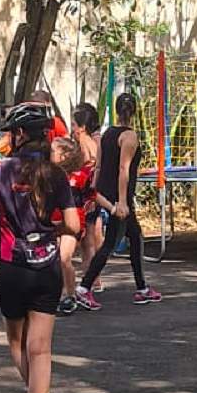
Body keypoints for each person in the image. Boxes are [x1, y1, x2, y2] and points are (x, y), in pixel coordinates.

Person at [0, 101, 83, 393]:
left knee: (17, 344)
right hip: (48, 266)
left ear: (19, 135)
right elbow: (73, 225)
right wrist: (49, 227)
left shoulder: (1, 170)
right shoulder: (56, 174)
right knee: (42, 350)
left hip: (13, 266)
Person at [74, 92, 162, 308]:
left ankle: (142, 288)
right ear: (135, 112)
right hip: (118, 195)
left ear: (116, 110)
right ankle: (83, 288)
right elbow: (123, 169)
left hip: (107, 191)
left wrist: (94, 188)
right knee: (111, 242)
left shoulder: (107, 134)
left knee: (135, 236)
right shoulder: (130, 137)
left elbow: (101, 165)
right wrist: (121, 202)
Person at [51, 134, 93, 313]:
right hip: (54, 222)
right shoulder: (49, 174)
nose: (49, 153)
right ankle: (59, 293)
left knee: (64, 257)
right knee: (53, 259)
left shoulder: (79, 176)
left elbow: (92, 194)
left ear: (65, 155)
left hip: (72, 224)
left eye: (53, 151)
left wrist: (111, 207)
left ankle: (70, 296)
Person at [71, 103, 103, 280]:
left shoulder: (84, 143)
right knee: (90, 238)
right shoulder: (94, 142)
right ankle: (93, 279)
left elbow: (83, 167)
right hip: (92, 193)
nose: (72, 129)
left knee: (85, 241)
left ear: (82, 127)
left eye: (74, 125)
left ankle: (89, 278)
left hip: (85, 194)